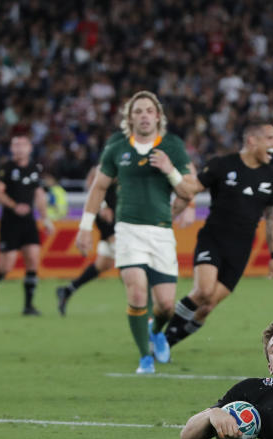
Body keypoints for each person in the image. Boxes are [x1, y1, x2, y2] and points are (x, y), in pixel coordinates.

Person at [75, 90, 198, 374]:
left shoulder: (172, 146)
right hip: (128, 230)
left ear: (158, 116)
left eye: (149, 111)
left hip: (161, 232)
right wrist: (84, 227)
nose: (144, 116)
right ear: (129, 118)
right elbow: (99, 188)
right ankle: (145, 357)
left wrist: (170, 170)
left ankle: (156, 331)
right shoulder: (117, 147)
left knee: (167, 304)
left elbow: (188, 190)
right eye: (138, 111)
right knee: (138, 293)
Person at [163, 119, 273, 350]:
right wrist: (170, 175)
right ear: (252, 140)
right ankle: (160, 339)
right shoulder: (222, 165)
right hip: (213, 239)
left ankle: (167, 343)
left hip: (240, 249)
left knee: (207, 307)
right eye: (270, 138)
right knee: (203, 291)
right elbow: (189, 190)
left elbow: (272, 218)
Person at [0, 133, 54, 315]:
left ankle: (28, 306)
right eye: (16, 145)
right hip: (10, 222)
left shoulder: (34, 168)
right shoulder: (5, 168)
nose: (19, 148)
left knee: (32, 260)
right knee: (6, 266)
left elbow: (39, 195)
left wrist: (45, 219)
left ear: (30, 148)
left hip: (29, 222)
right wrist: (14, 206)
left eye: (23, 144)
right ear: (11, 148)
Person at [56, 167, 117, 316]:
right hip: (106, 215)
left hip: (118, 213)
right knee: (128, 258)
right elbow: (92, 181)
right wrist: (102, 206)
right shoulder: (111, 157)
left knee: (104, 263)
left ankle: (68, 290)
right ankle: (143, 303)